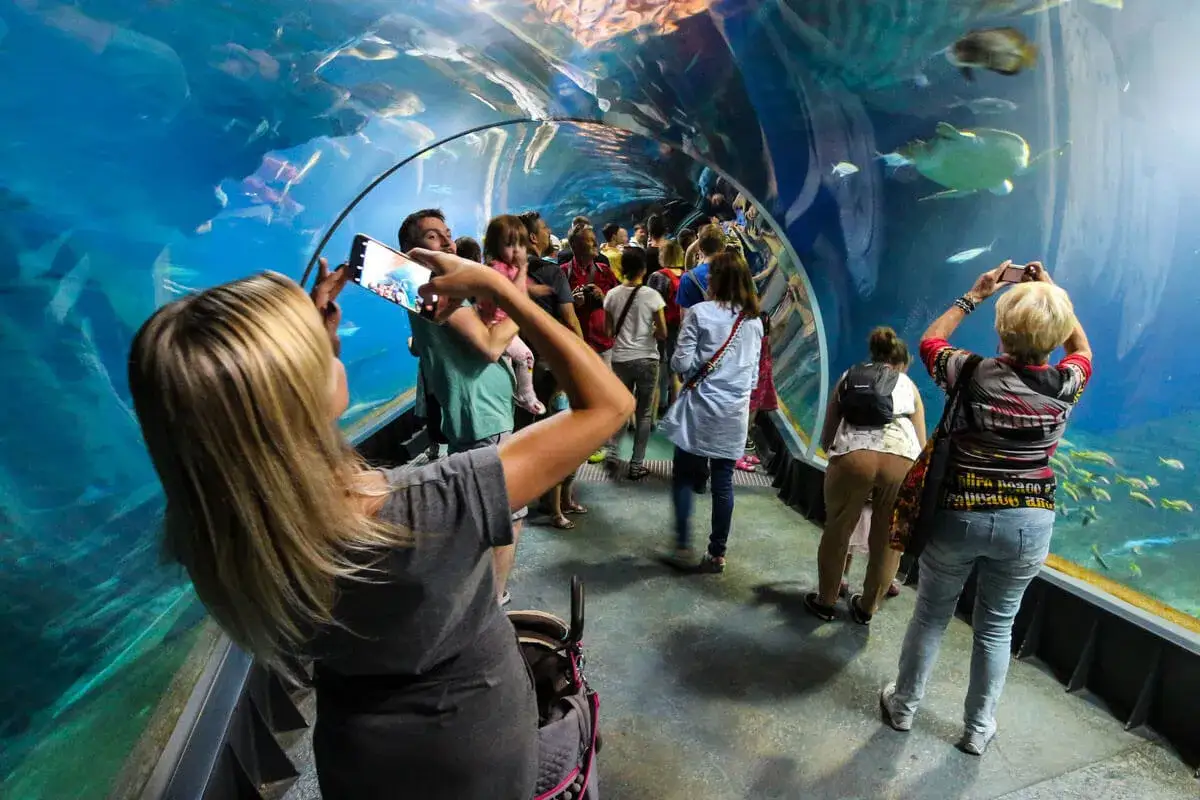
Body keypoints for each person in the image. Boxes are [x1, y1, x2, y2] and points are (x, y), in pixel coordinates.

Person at [127, 250, 635, 799]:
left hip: (359, 754)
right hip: (470, 745)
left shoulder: (220, 538)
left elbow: (253, 439)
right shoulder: (431, 506)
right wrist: (502, 290)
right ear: (300, 392)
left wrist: (306, 345)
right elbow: (607, 405)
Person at [880, 262, 1092, 757]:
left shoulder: (970, 372)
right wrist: (1053, 293)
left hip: (960, 512)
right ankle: (978, 729)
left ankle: (904, 706)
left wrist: (974, 294)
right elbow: (1081, 350)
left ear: (1001, 329)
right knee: (996, 627)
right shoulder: (1067, 383)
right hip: (1029, 522)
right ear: (1056, 332)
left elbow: (931, 341)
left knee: (931, 615)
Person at [399, 209, 524, 601]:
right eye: (435, 236)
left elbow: (418, 346)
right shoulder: (442, 294)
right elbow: (489, 347)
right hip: (483, 416)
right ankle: (493, 602)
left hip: (468, 415)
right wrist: (519, 309)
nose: (449, 242)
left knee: (481, 508)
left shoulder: (414, 293)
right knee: (507, 514)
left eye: (448, 234)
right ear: (412, 250)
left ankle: (481, 598)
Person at [805, 327, 926, 625]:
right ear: (901, 363)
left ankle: (826, 601)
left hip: (853, 458)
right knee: (888, 540)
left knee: (838, 530)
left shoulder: (849, 377)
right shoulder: (909, 385)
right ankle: (867, 608)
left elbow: (828, 433)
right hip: (901, 461)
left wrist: (835, 455)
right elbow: (921, 444)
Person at [658, 252, 764, 573]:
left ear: (716, 280)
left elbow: (680, 363)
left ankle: (682, 544)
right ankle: (717, 553)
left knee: (684, 479)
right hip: (734, 413)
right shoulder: (755, 321)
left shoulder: (700, 313)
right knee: (723, 483)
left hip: (699, 410)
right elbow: (754, 376)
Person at [603, 247, 667, 479]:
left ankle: (611, 453)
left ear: (622, 268)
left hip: (620, 359)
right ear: (644, 268)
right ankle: (636, 464)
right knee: (644, 414)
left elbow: (608, 331)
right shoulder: (652, 296)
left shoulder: (611, 295)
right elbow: (662, 333)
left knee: (620, 409)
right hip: (647, 359)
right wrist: (649, 329)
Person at [480, 214, 545, 416]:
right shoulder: (495, 269)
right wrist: (524, 267)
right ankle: (526, 394)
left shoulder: (509, 268)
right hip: (494, 326)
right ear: (494, 246)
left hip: (504, 326)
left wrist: (536, 290)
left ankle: (513, 396)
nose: (516, 250)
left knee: (509, 366)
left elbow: (523, 289)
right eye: (509, 244)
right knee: (526, 357)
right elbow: (514, 296)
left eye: (519, 244)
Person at [562, 223, 619, 364]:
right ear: (575, 245)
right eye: (589, 240)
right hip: (577, 346)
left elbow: (619, 303)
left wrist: (603, 297)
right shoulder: (563, 273)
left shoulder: (604, 270)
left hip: (605, 346)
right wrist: (572, 304)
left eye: (594, 239)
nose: (596, 243)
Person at [647, 240, 686, 413]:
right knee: (675, 369)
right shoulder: (686, 275)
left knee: (658, 366)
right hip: (682, 326)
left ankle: (658, 405)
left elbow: (651, 303)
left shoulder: (658, 276)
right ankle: (674, 408)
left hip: (663, 326)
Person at [676, 223, 727, 309]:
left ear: (700, 248)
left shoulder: (687, 278)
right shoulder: (737, 272)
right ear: (723, 247)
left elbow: (685, 317)